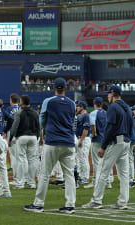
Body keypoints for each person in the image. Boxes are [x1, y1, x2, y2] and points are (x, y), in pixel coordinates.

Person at [24, 77, 76, 214]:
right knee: (69, 175)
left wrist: (41, 135)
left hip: (53, 141)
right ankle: (70, 205)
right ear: (65, 88)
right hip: (69, 142)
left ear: (54, 88)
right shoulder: (72, 104)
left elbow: (41, 120)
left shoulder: (48, 101)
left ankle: (38, 203)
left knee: (44, 174)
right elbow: (73, 122)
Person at [82, 85, 132, 210]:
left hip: (116, 142)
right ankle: (122, 202)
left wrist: (103, 146)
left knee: (102, 170)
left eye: (109, 94)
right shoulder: (127, 107)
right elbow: (131, 127)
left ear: (113, 93)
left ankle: (96, 201)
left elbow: (110, 128)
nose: (107, 96)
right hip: (126, 142)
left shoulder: (113, 107)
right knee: (124, 174)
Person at [9, 95, 40, 189]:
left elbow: (14, 127)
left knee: (21, 160)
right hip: (33, 137)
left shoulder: (19, 112)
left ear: (22, 102)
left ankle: (20, 183)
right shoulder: (35, 112)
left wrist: (10, 138)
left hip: (22, 137)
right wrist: (37, 137)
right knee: (32, 160)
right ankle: (32, 183)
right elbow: (38, 126)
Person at [84, 97, 107, 189]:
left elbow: (93, 125)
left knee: (96, 162)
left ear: (94, 104)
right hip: (105, 140)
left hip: (97, 139)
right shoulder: (106, 113)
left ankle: (95, 182)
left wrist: (94, 134)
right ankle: (107, 182)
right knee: (105, 162)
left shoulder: (93, 113)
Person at [5, 93, 22, 186]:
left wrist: (5, 131)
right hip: (22, 133)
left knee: (14, 157)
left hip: (11, 133)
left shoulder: (8, 109)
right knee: (22, 157)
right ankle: (23, 178)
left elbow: (7, 122)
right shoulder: (21, 108)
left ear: (11, 100)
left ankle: (16, 179)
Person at [75, 100, 91, 185]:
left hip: (84, 139)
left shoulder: (85, 116)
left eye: (77, 106)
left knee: (84, 158)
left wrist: (81, 140)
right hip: (80, 138)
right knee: (80, 158)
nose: (76, 107)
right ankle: (81, 176)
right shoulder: (80, 116)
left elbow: (86, 129)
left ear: (81, 107)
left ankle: (85, 177)